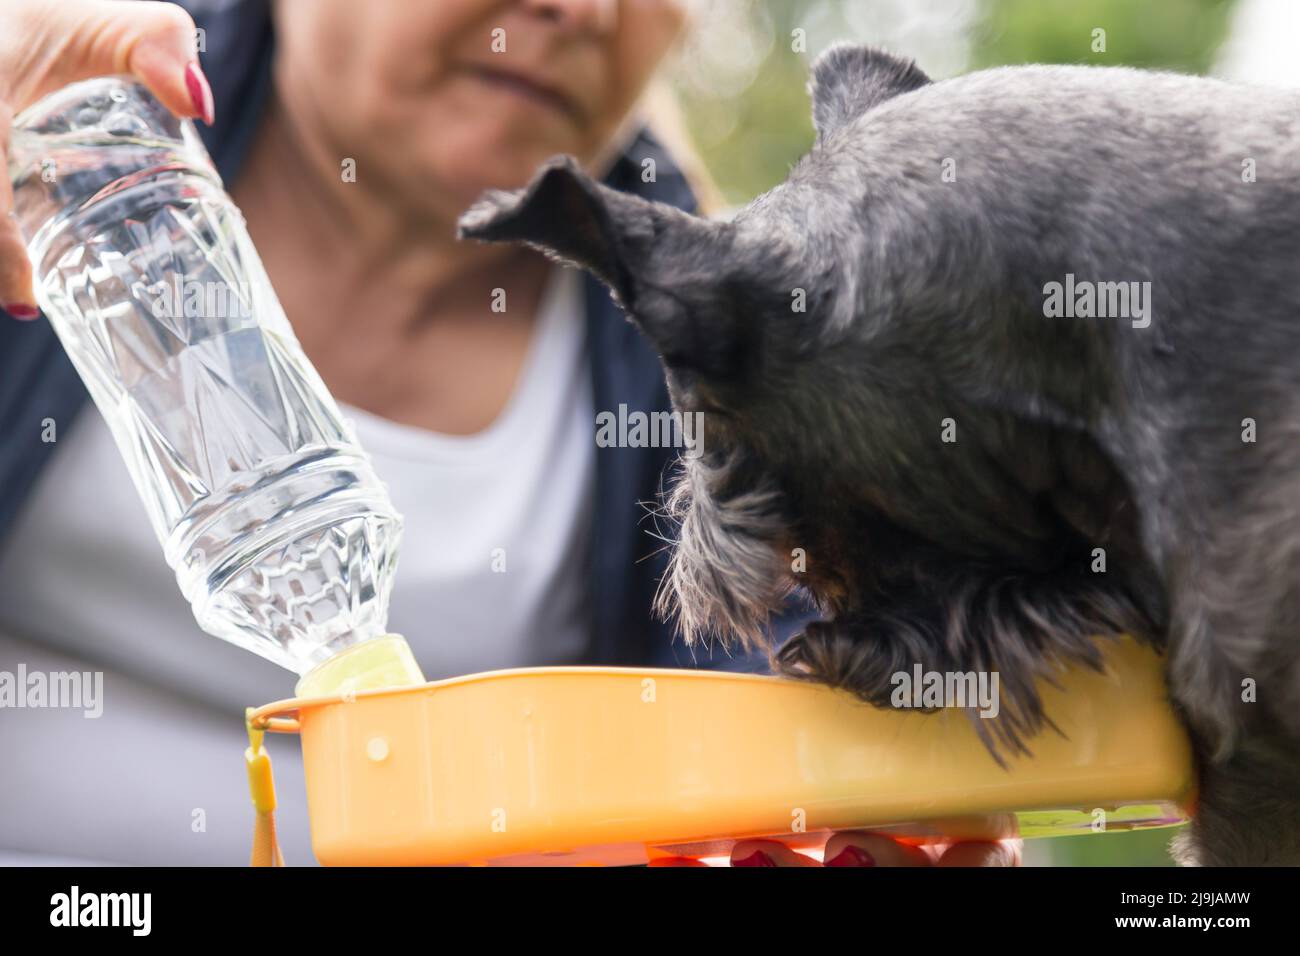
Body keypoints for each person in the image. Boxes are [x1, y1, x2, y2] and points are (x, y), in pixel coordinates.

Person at [0, 0, 1017, 867]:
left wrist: (853, 784)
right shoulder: (65, 128)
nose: (580, 10)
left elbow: (798, 715)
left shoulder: (725, 364)